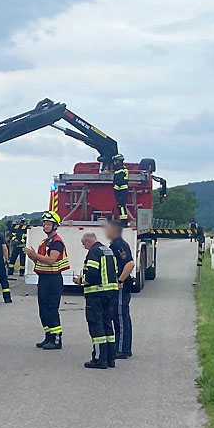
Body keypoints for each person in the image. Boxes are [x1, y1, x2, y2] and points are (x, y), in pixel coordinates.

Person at [23, 211, 69, 350]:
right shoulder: (45, 242)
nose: (45, 226)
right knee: (43, 309)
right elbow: (39, 259)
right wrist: (32, 255)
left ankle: (56, 339)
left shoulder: (57, 242)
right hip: (43, 278)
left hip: (53, 280)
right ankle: (48, 336)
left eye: (48, 224)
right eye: (44, 224)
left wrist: (34, 254)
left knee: (51, 309)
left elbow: (51, 260)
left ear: (55, 225)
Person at [74, 232, 118, 369]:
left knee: (96, 326)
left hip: (96, 294)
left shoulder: (93, 252)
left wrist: (81, 280)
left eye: (83, 244)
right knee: (107, 325)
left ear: (88, 241)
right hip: (111, 293)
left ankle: (99, 359)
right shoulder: (108, 250)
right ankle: (111, 358)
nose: (84, 247)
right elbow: (115, 270)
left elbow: (92, 274)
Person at [105, 219, 135, 359]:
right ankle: (122, 347)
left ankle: (122, 349)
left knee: (121, 318)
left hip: (122, 287)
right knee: (119, 317)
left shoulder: (119, 245)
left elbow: (129, 263)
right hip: (118, 286)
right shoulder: (115, 244)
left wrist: (120, 280)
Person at [112, 154, 129, 225]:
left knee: (121, 206)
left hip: (121, 191)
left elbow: (118, 182)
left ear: (119, 161)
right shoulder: (121, 169)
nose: (114, 163)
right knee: (121, 206)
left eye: (115, 161)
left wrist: (115, 187)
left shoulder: (121, 170)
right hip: (121, 190)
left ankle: (124, 222)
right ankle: (123, 221)